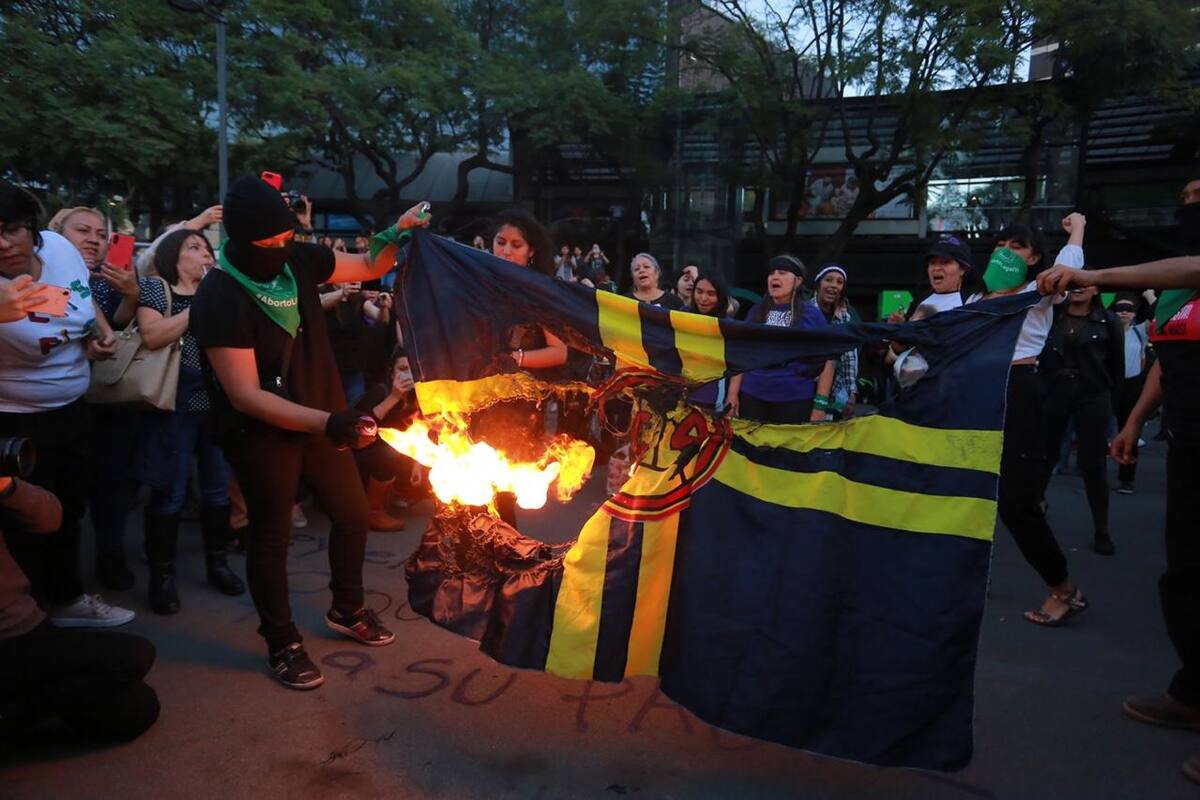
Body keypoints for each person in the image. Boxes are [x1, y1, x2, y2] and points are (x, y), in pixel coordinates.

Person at [189, 175, 429, 689]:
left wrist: (398, 231)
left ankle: (348, 608)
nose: (282, 247)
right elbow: (245, 395)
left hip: (324, 418)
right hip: (261, 433)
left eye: (287, 237)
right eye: (270, 242)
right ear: (242, 240)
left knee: (352, 513)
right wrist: (329, 421)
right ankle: (282, 641)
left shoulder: (297, 258)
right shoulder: (220, 293)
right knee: (271, 534)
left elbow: (368, 265)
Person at [1038, 177, 1200, 784]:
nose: (1188, 204)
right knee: (1186, 573)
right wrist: (1135, 421)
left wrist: (1093, 274)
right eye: (1184, 196)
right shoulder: (1178, 300)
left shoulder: (1182, 274)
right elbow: (1167, 360)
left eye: (1198, 195)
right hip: (1187, 438)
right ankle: (1193, 693)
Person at [0, 182, 135, 628]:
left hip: (74, 407)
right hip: (16, 421)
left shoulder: (58, 248)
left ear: (32, 228)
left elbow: (80, 297)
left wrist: (98, 333)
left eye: (11, 230)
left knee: (70, 508)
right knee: (25, 520)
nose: (3, 244)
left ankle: (67, 599)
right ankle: (26, 617)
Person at [973, 214, 1089, 626]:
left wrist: (1078, 227)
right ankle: (968, 577)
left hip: (1020, 394)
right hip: (977, 396)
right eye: (1000, 244)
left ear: (1035, 258)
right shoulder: (976, 299)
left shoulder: (1038, 291)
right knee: (971, 494)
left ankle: (1064, 590)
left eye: (1017, 246)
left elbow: (1069, 264)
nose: (1005, 251)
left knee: (1017, 504)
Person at [0, 473, 159, 744]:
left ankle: (14, 711)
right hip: (6, 640)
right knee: (135, 654)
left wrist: (8, 487)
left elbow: (51, 518)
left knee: (137, 708)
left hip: (27, 625)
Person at [135, 229, 245, 614]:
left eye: (207, 248)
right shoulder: (157, 288)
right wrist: (197, 305)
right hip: (173, 404)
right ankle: (162, 576)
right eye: (194, 247)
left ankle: (218, 564)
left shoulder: (220, 292)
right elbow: (152, 335)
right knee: (170, 490)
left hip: (216, 404)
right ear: (173, 256)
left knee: (217, 490)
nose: (205, 254)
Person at [48, 207, 141, 591]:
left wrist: (132, 294)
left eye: (102, 235)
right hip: (53, 405)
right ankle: (54, 581)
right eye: (83, 230)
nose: (94, 240)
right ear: (55, 234)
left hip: (109, 396)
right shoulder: (39, 274)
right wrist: (85, 337)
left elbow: (119, 326)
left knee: (112, 485)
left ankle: (110, 557)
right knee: (59, 495)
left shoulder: (109, 277)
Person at [472, 209, 569, 527]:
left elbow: (559, 353)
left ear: (531, 252)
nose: (506, 251)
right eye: (500, 242)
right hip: (472, 399)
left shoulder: (538, 294)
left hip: (515, 408)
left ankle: (504, 551)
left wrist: (517, 358)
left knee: (501, 494)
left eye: (516, 245)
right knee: (467, 490)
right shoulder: (477, 284)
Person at [1039, 282, 1124, 555]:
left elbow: (1117, 368)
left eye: (1084, 283)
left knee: (1093, 464)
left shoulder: (1109, 321)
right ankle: (1034, 509)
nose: (1078, 288)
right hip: (1055, 393)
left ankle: (1102, 530)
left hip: (1093, 396)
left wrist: (1115, 409)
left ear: (1097, 290)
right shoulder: (1052, 316)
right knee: (1044, 456)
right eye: (1073, 284)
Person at [727, 255, 834, 423]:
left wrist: (820, 405)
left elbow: (828, 360)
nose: (774, 277)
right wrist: (732, 394)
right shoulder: (756, 312)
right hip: (752, 394)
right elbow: (743, 354)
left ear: (798, 281)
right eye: (772, 273)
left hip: (795, 398)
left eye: (782, 272)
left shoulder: (811, 315)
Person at [352, 348, 419, 532]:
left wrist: (418, 465)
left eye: (412, 369)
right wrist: (394, 397)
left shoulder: (418, 397)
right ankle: (373, 511)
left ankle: (399, 492)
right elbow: (360, 428)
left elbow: (421, 434)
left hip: (395, 455)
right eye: (402, 369)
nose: (408, 375)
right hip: (361, 454)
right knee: (388, 454)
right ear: (392, 373)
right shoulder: (381, 392)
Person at [1110, 292, 1150, 493]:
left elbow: (1158, 314)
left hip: (1131, 385)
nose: (1124, 312)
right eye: (1119, 308)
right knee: (1095, 427)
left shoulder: (1140, 332)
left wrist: (1149, 296)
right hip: (1109, 384)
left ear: (1135, 313)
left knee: (1130, 429)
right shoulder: (1107, 331)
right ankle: (1090, 470)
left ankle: (1126, 478)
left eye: (1129, 309)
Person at [811, 263, 861, 419]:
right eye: (829, 280)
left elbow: (849, 357)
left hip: (834, 391)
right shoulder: (804, 312)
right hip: (805, 387)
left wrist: (851, 393)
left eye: (839, 282)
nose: (834, 285)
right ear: (818, 284)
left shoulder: (845, 317)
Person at [684, 270, 731, 412]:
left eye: (711, 294)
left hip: (713, 398)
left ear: (720, 297)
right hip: (681, 395)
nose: (703, 298)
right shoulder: (680, 317)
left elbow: (739, 363)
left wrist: (733, 394)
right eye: (699, 291)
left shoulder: (728, 326)